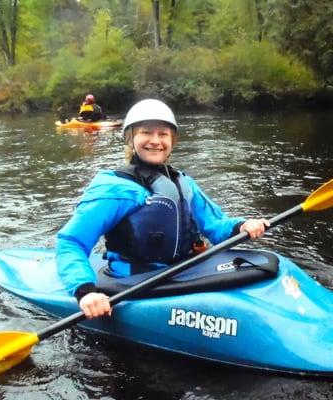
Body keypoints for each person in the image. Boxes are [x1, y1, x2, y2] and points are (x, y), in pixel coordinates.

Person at [56, 99, 269, 320]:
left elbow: (216, 225)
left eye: (163, 134)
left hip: (183, 271)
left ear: (172, 141)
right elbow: (71, 242)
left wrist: (242, 225)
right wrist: (85, 292)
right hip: (134, 283)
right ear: (131, 138)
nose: (155, 141)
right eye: (146, 132)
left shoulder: (183, 183)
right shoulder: (115, 187)